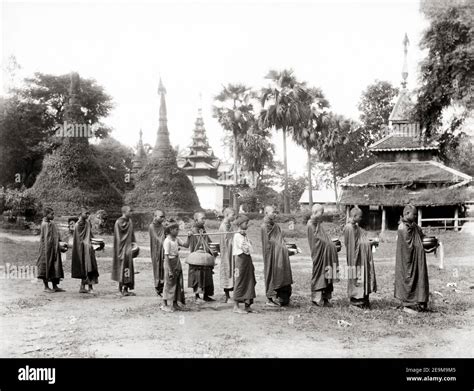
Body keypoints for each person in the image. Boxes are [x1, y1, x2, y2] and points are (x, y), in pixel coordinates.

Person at [395, 204, 429, 314]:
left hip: (417, 259)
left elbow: (421, 236)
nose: (415, 216)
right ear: (406, 214)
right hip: (407, 261)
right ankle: (407, 305)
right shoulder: (403, 228)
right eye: (413, 214)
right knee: (408, 278)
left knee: (419, 278)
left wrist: (430, 241)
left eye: (416, 214)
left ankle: (419, 302)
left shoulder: (414, 226)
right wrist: (420, 246)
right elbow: (409, 246)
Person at [343, 207, 377, 309]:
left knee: (364, 275)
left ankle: (363, 300)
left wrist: (368, 241)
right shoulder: (349, 228)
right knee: (357, 277)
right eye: (360, 216)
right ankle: (356, 301)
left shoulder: (356, 227)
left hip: (362, 258)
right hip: (356, 259)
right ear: (354, 216)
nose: (361, 218)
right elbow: (353, 247)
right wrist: (368, 243)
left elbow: (361, 239)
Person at [260, 206, 293, 307]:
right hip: (271, 255)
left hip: (280, 254)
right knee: (273, 273)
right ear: (266, 213)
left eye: (276, 213)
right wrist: (282, 247)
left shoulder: (276, 226)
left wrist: (288, 246)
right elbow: (269, 242)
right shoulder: (264, 227)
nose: (275, 214)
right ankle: (271, 297)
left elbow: (280, 239)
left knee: (283, 273)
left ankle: (282, 297)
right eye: (273, 212)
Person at [307, 204, 339, 307]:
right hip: (318, 254)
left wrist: (331, 243)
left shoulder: (318, 224)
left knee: (327, 273)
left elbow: (324, 237)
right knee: (319, 275)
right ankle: (316, 299)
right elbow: (316, 240)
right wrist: (330, 244)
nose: (323, 214)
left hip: (325, 253)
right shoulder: (311, 224)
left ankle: (325, 298)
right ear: (315, 212)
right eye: (322, 212)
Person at [187, 212, 216, 302]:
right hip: (197, 257)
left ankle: (206, 295)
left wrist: (213, 249)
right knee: (197, 276)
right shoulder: (193, 231)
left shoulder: (202, 229)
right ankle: (197, 296)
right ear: (196, 220)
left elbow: (208, 240)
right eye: (202, 219)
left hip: (205, 255)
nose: (204, 220)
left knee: (207, 275)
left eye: (205, 219)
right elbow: (196, 243)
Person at [36, 207, 65, 293]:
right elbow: (47, 239)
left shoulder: (51, 223)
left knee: (54, 266)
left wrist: (60, 245)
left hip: (54, 248)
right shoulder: (44, 224)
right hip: (46, 250)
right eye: (51, 214)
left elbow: (55, 236)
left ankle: (55, 286)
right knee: (46, 266)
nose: (53, 216)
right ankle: (46, 287)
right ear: (46, 215)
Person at [161, 221, 188, 312]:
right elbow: (166, 256)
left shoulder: (176, 239)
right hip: (170, 262)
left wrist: (189, 237)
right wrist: (169, 270)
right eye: (176, 230)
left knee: (177, 282)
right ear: (171, 230)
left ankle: (175, 303)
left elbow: (186, 245)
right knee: (169, 283)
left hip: (177, 261)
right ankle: (164, 304)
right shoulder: (167, 241)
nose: (178, 231)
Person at [71, 207, 99, 293]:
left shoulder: (87, 223)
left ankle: (88, 287)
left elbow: (90, 235)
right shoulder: (77, 225)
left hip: (89, 249)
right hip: (82, 250)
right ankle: (84, 287)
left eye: (88, 213)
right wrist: (88, 245)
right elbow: (79, 240)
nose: (87, 215)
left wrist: (96, 242)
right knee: (84, 267)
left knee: (91, 266)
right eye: (86, 213)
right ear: (80, 214)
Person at [232, 215, 257, 314]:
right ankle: (236, 306)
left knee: (250, 280)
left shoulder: (243, 234)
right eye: (245, 223)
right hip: (240, 261)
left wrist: (247, 241)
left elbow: (250, 246)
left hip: (247, 260)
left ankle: (248, 305)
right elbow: (246, 248)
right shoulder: (237, 235)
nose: (247, 225)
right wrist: (248, 243)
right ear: (240, 224)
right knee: (240, 281)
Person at [112, 206, 137, 296]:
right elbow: (119, 238)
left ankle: (126, 288)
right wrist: (123, 248)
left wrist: (134, 244)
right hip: (122, 249)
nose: (131, 213)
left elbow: (131, 235)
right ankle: (120, 288)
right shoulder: (118, 222)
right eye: (130, 211)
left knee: (128, 268)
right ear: (124, 212)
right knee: (122, 268)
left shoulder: (129, 221)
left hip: (128, 249)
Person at [219, 207, 236, 303]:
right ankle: (227, 296)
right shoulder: (223, 226)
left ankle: (233, 294)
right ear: (226, 215)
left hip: (232, 251)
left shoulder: (230, 225)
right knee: (227, 270)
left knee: (233, 271)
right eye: (232, 215)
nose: (234, 217)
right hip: (226, 252)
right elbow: (227, 240)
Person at [149, 210, 166, 296]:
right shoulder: (151, 226)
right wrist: (165, 243)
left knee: (163, 269)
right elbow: (157, 238)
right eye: (161, 217)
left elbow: (165, 236)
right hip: (156, 251)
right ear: (155, 216)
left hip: (163, 249)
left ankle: (163, 287)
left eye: (163, 217)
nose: (163, 218)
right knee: (157, 269)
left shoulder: (162, 226)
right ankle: (158, 289)